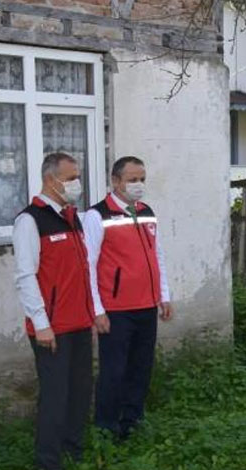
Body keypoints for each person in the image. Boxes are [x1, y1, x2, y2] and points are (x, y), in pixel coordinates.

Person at [13, 152, 95, 470]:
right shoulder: (30, 220)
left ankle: (73, 450)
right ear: (51, 180)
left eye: (77, 176)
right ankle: (49, 466)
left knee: (79, 391)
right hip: (52, 329)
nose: (77, 183)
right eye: (71, 176)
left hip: (79, 322)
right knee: (55, 395)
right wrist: (41, 323)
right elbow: (25, 276)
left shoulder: (72, 217)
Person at [83, 156, 172, 442]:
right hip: (116, 310)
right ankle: (107, 427)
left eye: (142, 179)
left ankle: (132, 421)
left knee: (141, 367)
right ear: (116, 181)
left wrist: (164, 295)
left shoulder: (146, 211)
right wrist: (97, 310)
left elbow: (156, 255)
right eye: (132, 180)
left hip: (146, 305)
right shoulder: (98, 216)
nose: (138, 185)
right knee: (114, 371)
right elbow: (89, 264)